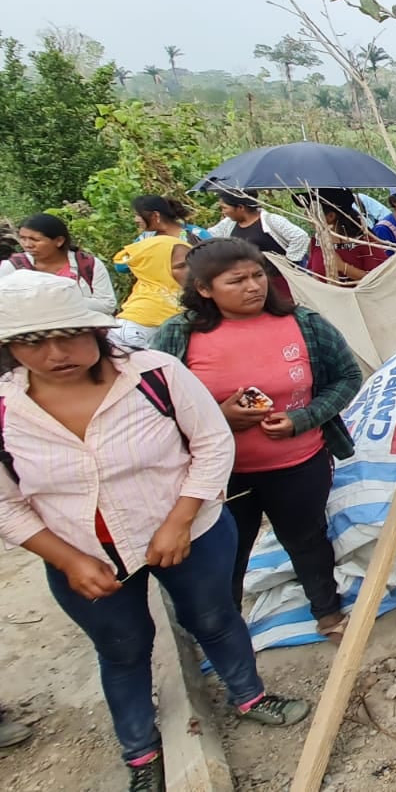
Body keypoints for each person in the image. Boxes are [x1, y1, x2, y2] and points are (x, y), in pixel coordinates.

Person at [0, 272, 309, 791]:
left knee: (214, 617)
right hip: (82, 551)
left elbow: (212, 445)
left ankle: (250, 695)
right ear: (10, 347)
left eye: (71, 334)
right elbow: (7, 504)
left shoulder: (153, 376)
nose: (57, 353)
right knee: (122, 647)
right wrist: (68, 559)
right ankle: (141, 753)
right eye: (34, 342)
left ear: (95, 331)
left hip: (191, 531)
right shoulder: (9, 410)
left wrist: (179, 520)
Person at [150, 239, 363, 642]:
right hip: (220, 477)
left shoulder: (305, 324)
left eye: (258, 275)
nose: (254, 286)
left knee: (307, 539)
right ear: (204, 289)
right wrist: (220, 420)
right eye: (237, 280)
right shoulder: (178, 336)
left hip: (300, 463)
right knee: (227, 552)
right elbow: (153, 407)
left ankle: (328, 612)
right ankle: (225, 630)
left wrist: (304, 418)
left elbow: (347, 378)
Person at [0, 214, 117, 316]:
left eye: (35, 240)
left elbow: (107, 305)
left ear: (59, 241)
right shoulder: (14, 267)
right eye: (23, 239)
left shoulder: (88, 264)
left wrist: (59, 299)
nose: (27, 245)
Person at [210, 190, 309, 302]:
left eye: (224, 208)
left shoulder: (271, 220)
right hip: (250, 283)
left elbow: (300, 237)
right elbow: (208, 236)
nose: (223, 212)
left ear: (240, 208)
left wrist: (289, 262)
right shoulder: (228, 224)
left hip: (278, 281)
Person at [109, 233, 190, 349]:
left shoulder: (193, 300)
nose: (192, 270)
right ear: (156, 270)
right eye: (181, 266)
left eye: (192, 263)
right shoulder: (131, 328)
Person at [305, 197, 387, 284]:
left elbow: (379, 280)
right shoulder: (316, 241)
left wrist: (343, 267)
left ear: (331, 216)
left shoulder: (366, 243)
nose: (305, 214)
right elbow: (314, 275)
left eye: (311, 212)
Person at [130, 195, 208, 247]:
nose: (136, 220)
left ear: (155, 215)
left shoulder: (196, 234)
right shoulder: (146, 237)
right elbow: (121, 265)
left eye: (138, 215)